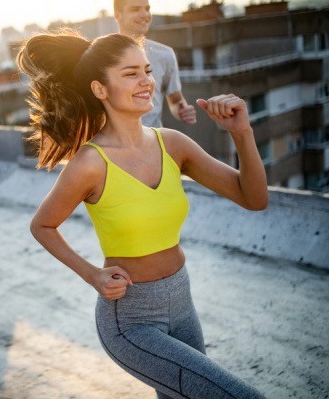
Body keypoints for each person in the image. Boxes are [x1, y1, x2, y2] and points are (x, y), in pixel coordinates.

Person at [16, 30, 268, 398]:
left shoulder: (173, 144)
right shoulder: (90, 163)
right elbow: (42, 225)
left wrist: (242, 133)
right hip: (131, 319)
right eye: (131, 73)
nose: (146, 81)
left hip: (182, 300)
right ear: (100, 89)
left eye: (147, 70)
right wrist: (92, 275)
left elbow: (253, 198)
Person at [114, 0, 197, 128]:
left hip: (155, 143)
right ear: (117, 15)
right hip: (115, 147)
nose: (144, 15)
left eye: (147, 9)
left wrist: (182, 110)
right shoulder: (101, 55)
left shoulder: (165, 54)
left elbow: (176, 100)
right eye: (135, 9)